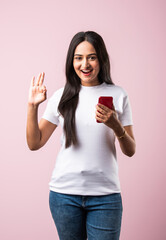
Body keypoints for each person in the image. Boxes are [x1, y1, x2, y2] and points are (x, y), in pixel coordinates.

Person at [26, 31, 136, 240]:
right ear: (71, 61)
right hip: (64, 196)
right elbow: (34, 142)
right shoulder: (61, 96)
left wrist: (115, 126)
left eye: (92, 57)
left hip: (106, 197)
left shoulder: (119, 94)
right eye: (79, 58)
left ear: (101, 59)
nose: (85, 64)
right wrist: (32, 107)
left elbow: (130, 150)